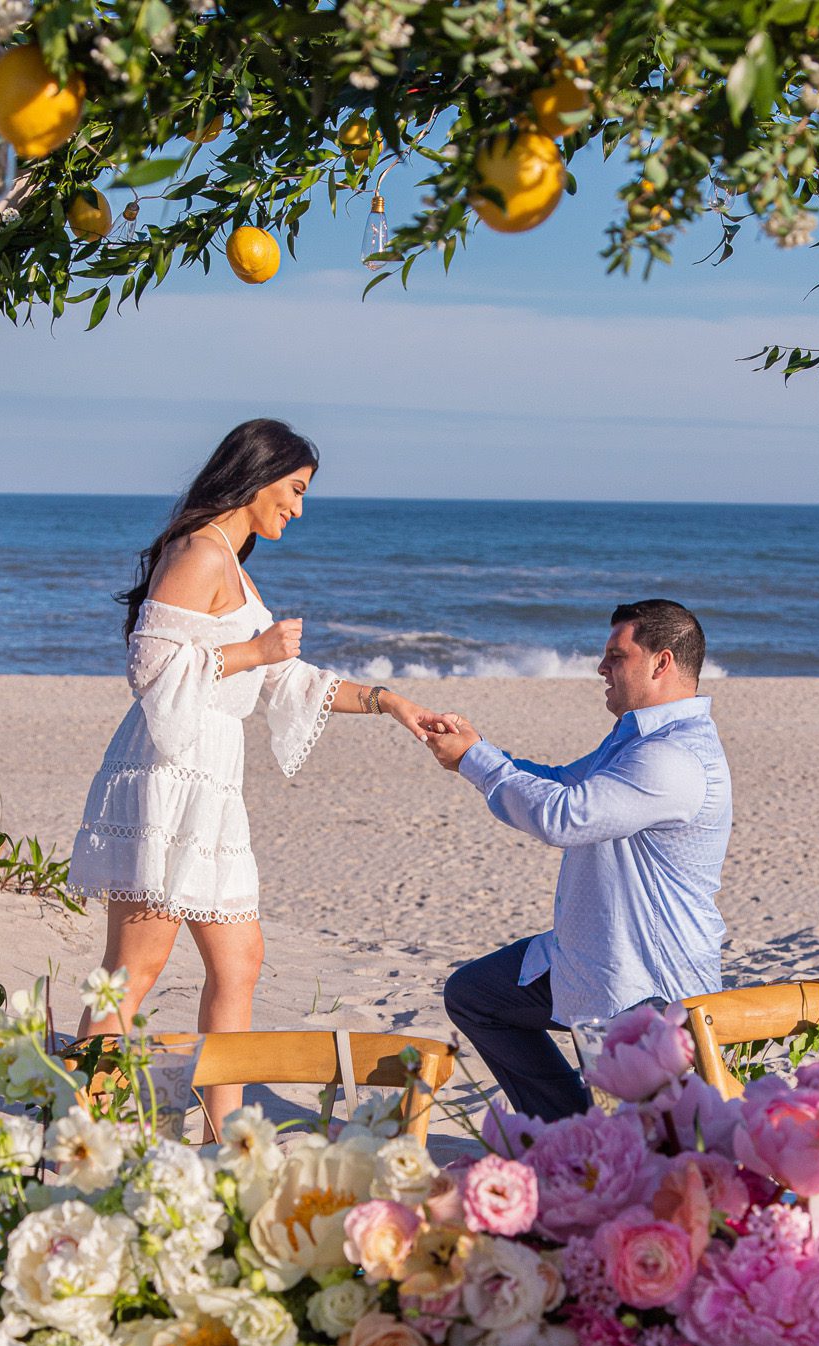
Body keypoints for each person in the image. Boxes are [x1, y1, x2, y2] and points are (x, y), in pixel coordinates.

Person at [67, 418, 441, 1136]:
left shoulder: (233, 563)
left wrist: (392, 703)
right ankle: (82, 1125)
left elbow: (287, 680)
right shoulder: (199, 551)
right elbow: (151, 672)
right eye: (295, 489)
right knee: (134, 967)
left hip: (212, 782)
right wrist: (251, 649)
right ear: (258, 474)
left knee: (239, 960)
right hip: (169, 776)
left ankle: (224, 1131)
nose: (298, 509)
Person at [425, 599, 732, 1122]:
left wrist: (476, 764)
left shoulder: (673, 757)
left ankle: (582, 1136)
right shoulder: (638, 739)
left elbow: (563, 815)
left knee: (636, 1155)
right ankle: (565, 1128)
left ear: (661, 662)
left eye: (617, 655)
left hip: (645, 986)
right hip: (589, 957)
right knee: (475, 995)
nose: (601, 667)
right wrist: (476, 749)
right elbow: (561, 781)